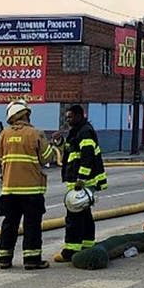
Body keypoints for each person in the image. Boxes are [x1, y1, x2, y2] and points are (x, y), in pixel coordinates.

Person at [0, 99, 54, 269]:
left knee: (9, 225)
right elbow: (46, 158)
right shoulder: (35, 134)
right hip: (31, 190)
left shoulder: (4, 135)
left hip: (9, 189)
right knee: (32, 226)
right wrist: (47, 142)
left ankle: (4, 259)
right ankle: (31, 260)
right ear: (26, 114)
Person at [54, 104, 107, 263]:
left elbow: (87, 157)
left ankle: (70, 250)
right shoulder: (77, 131)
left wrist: (81, 180)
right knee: (84, 215)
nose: (68, 120)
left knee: (74, 217)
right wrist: (60, 141)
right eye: (67, 117)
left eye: (70, 117)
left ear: (79, 115)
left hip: (83, 182)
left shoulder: (85, 132)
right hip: (77, 181)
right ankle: (87, 244)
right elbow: (70, 151)